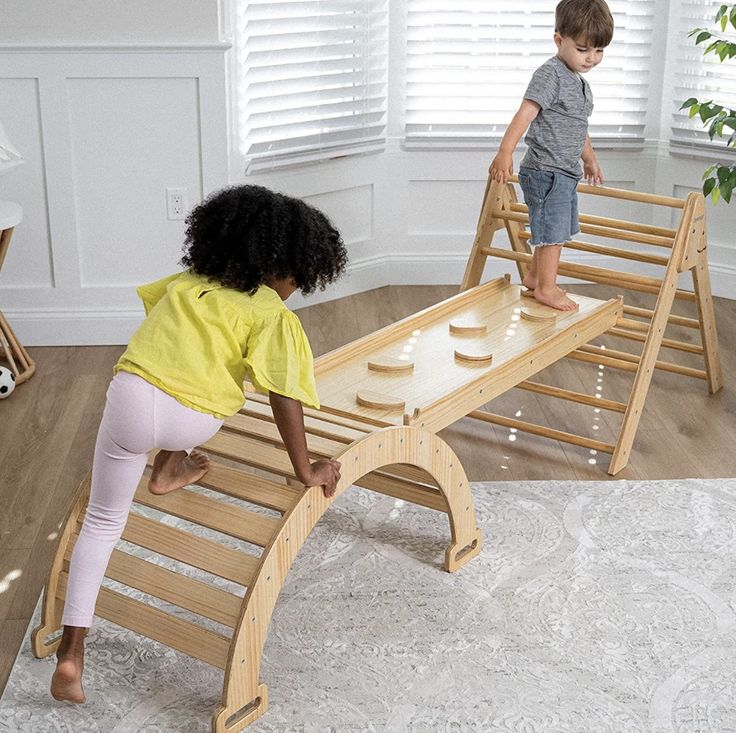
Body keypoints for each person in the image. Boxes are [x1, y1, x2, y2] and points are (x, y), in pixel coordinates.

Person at [50, 184, 348, 704]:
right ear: (279, 264)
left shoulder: (187, 283)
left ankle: (71, 655)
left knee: (101, 523)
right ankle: (171, 462)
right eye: (297, 276)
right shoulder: (270, 313)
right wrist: (306, 469)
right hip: (192, 419)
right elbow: (283, 395)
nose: (295, 288)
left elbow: (165, 332)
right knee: (217, 390)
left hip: (129, 397)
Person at [490, 0, 614, 311]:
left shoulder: (579, 83)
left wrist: (590, 158)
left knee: (557, 229)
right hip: (546, 171)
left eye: (599, 51)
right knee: (552, 234)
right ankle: (546, 287)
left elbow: (578, 127)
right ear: (559, 40)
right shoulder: (551, 75)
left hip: (565, 172)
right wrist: (505, 152)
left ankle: (534, 276)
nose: (592, 58)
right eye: (584, 49)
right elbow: (525, 114)